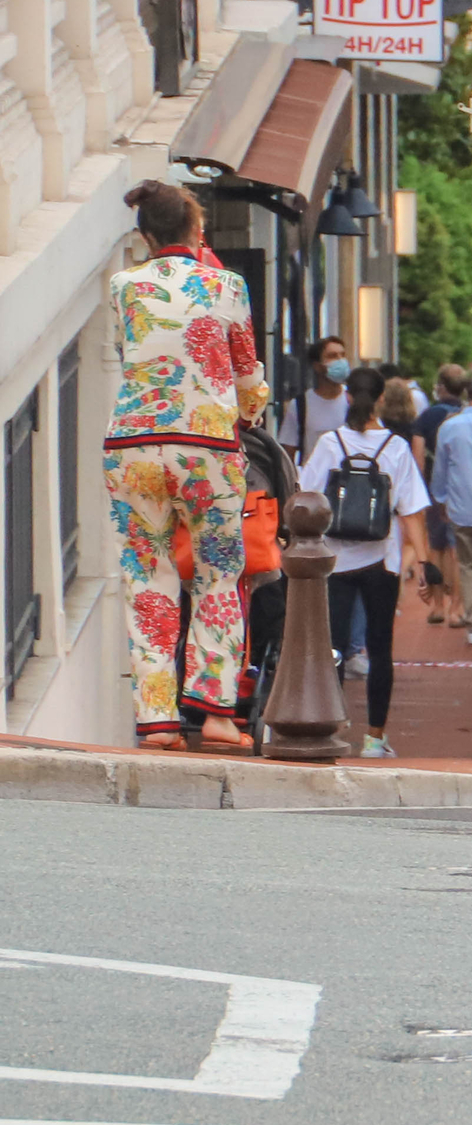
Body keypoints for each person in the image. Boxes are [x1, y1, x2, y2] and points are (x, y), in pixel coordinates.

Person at [103, 180, 267, 750]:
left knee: (146, 575)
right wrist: (249, 411)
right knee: (218, 573)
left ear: (145, 235)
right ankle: (217, 713)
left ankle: (158, 720)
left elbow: (132, 355)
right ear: (197, 231)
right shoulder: (226, 286)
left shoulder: (123, 286)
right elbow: (247, 374)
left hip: (133, 447)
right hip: (207, 450)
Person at [298, 367, 431, 757]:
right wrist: (424, 562)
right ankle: (375, 738)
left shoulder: (329, 443)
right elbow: (410, 511)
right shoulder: (395, 446)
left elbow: (307, 496)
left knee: (334, 647)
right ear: (380, 401)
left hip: (335, 559)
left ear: (347, 397)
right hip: (382, 561)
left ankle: (334, 726)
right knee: (380, 646)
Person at [430, 375, 472, 641]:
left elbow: (441, 470)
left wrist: (441, 500)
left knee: (469, 564)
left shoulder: (450, 427)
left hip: (462, 505)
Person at [413, 364, 469, 624]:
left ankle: (436, 606)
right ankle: (457, 608)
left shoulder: (427, 417)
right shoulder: (468, 414)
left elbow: (418, 457)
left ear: (441, 387)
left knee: (435, 546)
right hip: (464, 489)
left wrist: (420, 489)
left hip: (435, 489)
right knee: (457, 550)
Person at [276, 336, 351, 461]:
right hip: (314, 478)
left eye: (342, 355)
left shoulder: (353, 401)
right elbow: (288, 453)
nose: (340, 361)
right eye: (332, 356)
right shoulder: (300, 405)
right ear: (317, 366)